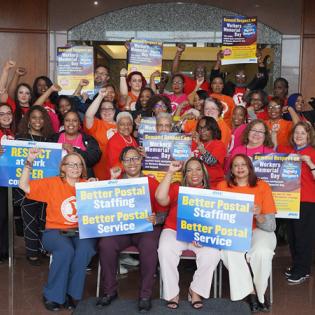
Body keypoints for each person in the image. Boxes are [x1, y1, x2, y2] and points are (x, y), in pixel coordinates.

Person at [18, 150, 96, 311]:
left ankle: (72, 294)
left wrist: (98, 186)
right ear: (63, 168)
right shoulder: (53, 183)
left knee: (85, 249)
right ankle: (52, 295)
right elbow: (23, 186)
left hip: (80, 232)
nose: (75, 167)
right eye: (71, 164)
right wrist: (29, 162)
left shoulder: (88, 185)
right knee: (65, 250)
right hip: (55, 231)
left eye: (79, 164)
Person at [97, 146, 167, 312]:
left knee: (149, 246)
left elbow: (165, 209)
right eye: (127, 159)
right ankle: (109, 291)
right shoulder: (116, 181)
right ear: (122, 163)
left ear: (141, 160)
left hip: (145, 228)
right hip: (121, 229)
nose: (132, 162)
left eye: (135, 158)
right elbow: (102, 208)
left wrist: (157, 218)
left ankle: (145, 295)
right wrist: (111, 182)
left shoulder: (151, 182)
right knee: (105, 244)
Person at [156, 158, 221, 309]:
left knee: (213, 253)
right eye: (189, 170)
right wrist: (171, 172)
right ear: (185, 174)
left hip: (200, 235)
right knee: (165, 249)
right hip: (174, 230)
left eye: (198, 169)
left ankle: (196, 291)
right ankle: (172, 294)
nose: (194, 173)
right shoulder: (177, 187)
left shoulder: (213, 193)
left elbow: (216, 222)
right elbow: (160, 198)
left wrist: (204, 235)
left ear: (203, 173)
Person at [218, 154, 276, 312]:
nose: (240, 168)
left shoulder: (261, 186)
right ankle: (252, 293)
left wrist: (258, 215)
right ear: (231, 169)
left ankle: (261, 293)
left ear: (250, 167)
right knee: (229, 252)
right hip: (232, 231)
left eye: (243, 164)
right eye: (236, 165)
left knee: (262, 253)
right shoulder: (223, 186)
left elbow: (271, 226)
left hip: (258, 230)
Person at [15, 106, 54, 265]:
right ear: (28, 120)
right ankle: (32, 253)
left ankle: (44, 248)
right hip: (26, 187)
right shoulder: (20, 139)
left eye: (41, 118)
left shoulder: (50, 141)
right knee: (30, 221)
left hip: (45, 187)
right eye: (34, 117)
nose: (37, 121)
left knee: (44, 219)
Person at [277, 122, 315, 284]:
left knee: (303, 237)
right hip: (290, 200)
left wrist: (310, 164)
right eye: (296, 133)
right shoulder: (290, 151)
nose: (299, 136)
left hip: (307, 200)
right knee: (292, 236)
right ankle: (297, 265)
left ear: (309, 136)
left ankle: (303, 270)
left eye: (302, 133)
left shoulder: (312, 152)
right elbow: (276, 151)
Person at [50, 110, 101, 177]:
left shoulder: (88, 139)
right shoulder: (53, 139)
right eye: (67, 120)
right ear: (63, 123)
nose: (71, 123)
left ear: (79, 123)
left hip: (81, 182)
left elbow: (93, 159)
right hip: (58, 181)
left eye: (74, 120)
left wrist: (74, 151)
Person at [84, 88, 117, 180]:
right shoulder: (96, 124)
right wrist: (100, 96)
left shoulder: (122, 125)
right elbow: (88, 115)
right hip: (99, 170)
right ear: (99, 111)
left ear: (114, 111)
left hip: (118, 169)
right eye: (103, 109)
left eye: (109, 108)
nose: (106, 111)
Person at [191, 117, 226, 188]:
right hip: (195, 183)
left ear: (213, 130)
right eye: (200, 128)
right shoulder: (193, 143)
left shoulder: (218, 144)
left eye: (206, 129)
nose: (202, 131)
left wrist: (201, 148)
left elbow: (211, 161)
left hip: (213, 184)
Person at [0, 103, 15, 262]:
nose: (5, 116)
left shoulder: (14, 132)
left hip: (8, 180)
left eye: (8, 112)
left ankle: (4, 250)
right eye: (1, 114)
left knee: (5, 216)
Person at [105, 112, 138, 179]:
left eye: (129, 124)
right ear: (117, 126)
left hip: (131, 175)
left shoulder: (132, 139)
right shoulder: (113, 141)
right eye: (122, 124)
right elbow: (115, 167)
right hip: (119, 179)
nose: (126, 127)